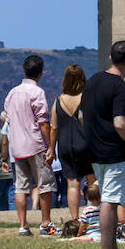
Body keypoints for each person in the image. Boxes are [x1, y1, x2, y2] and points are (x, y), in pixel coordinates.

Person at [83, 40, 125, 249]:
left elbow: (83, 116)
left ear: (110, 57)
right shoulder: (120, 87)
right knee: (110, 201)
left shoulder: (92, 82)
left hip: (95, 151)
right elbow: (120, 123)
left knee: (106, 199)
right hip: (115, 152)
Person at [3, 53, 56, 237]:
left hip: (17, 147)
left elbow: (7, 119)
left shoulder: (12, 93)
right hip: (35, 144)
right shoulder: (37, 92)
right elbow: (43, 122)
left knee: (21, 187)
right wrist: (50, 146)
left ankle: (23, 225)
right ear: (41, 72)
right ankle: (45, 223)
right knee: (45, 184)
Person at [47, 63, 89, 226]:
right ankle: (93, 215)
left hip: (65, 146)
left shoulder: (58, 101)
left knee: (72, 184)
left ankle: (75, 219)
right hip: (85, 144)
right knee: (92, 182)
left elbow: (54, 128)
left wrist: (52, 148)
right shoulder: (86, 98)